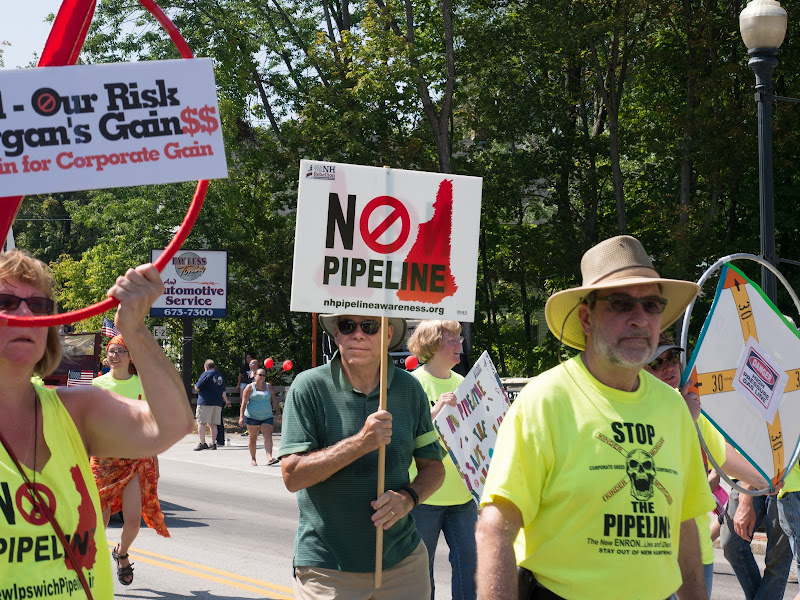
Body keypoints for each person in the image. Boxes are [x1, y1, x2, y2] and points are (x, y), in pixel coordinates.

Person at [476, 235, 715, 599]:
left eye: (652, 305)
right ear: (587, 318)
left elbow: (683, 525)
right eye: (621, 304)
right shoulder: (544, 400)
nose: (640, 319)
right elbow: (497, 526)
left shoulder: (673, 408)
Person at [0, 250, 193, 598]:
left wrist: (133, 329)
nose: (25, 313)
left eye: (40, 306)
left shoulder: (76, 410)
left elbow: (175, 424)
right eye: (6, 302)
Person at [278, 313, 445, 599]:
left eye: (369, 326)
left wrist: (408, 498)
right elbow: (292, 476)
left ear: (388, 334)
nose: (358, 334)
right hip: (327, 568)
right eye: (347, 326)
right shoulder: (307, 387)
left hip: (402, 561)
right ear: (336, 335)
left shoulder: (409, 389)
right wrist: (361, 443)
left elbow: (433, 468)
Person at [643, 334, 777, 598]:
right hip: (651, 550)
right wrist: (683, 417)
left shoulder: (691, 407)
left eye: (671, 358)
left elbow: (722, 454)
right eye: (656, 363)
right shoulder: (636, 412)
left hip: (696, 550)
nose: (668, 367)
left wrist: (765, 479)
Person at [90, 335, 170, 586]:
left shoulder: (141, 385)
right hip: (104, 459)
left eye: (120, 351)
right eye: (111, 351)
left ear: (130, 357)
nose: (114, 355)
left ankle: (121, 553)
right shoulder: (96, 385)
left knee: (133, 520)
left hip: (136, 458)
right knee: (99, 522)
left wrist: (155, 460)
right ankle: (95, 567)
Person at [406, 320, 476, 600]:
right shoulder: (412, 384)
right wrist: (435, 411)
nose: (460, 345)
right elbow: (403, 436)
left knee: (470, 567)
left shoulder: (464, 383)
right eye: (453, 340)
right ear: (432, 345)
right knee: (422, 570)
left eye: (460, 338)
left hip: (462, 496)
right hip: (425, 496)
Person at [238, 367, 281, 466]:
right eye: (260, 375)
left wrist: (278, 413)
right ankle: (253, 459)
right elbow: (244, 403)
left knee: (268, 437)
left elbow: (274, 400)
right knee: (253, 438)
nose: (262, 377)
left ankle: (269, 458)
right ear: (255, 376)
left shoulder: (268, 386)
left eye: (264, 375)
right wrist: (241, 417)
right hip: (252, 417)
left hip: (267, 416)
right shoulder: (249, 387)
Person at [193, 359, 229, 451]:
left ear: (206, 366)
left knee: (201, 422)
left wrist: (195, 386)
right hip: (217, 402)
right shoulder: (220, 375)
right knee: (214, 424)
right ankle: (213, 443)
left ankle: (202, 443)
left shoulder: (206, 374)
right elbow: (222, 390)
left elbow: (197, 387)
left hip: (205, 402)